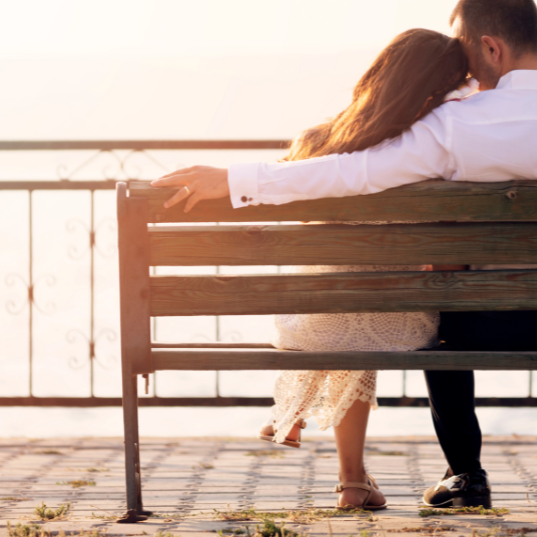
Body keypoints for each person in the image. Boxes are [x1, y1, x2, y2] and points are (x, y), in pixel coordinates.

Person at [151, 0, 537, 510]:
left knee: (443, 312)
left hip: (478, 322)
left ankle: (466, 475)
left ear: (490, 47)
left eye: (464, 50)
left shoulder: (451, 127)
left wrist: (234, 181)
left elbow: (351, 172)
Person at [157, 28, 469, 510]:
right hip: (399, 316)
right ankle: (348, 477)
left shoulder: (319, 142)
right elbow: (448, 257)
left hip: (312, 315)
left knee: (341, 306)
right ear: (436, 91)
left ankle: (300, 419)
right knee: (361, 314)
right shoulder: (428, 152)